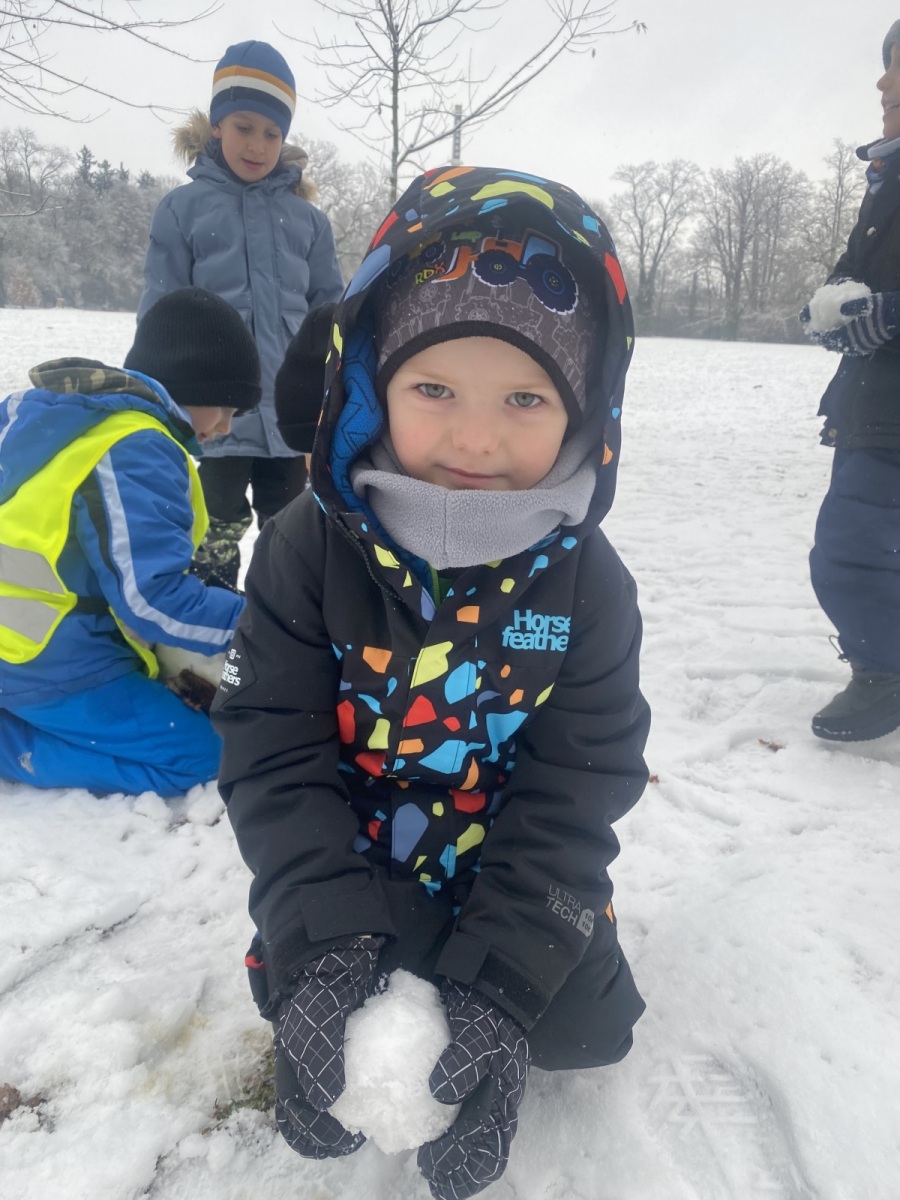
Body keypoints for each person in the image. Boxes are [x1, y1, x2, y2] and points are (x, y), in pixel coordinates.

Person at [212, 166, 650, 1199]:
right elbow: (272, 752)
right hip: (356, 863)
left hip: (501, 864)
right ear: (372, 385)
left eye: (526, 399)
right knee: (319, 995)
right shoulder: (303, 548)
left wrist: (508, 978)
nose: (476, 439)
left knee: (586, 1030)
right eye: (435, 390)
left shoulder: (591, 585)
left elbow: (579, 786)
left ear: (584, 411)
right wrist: (321, 942)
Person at [0, 288, 259, 797]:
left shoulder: (66, 418)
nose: (226, 427)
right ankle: (14, 745)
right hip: (46, 657)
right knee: (209, 753)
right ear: (193, 385)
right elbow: (152, 600)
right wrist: (261, 625)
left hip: (19, 636)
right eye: (226, 407)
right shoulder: (139, 447)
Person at [137, 39, 345, 591]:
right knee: (215, 525)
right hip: (215, 414)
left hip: (290, 415)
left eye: (272, 133)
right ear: (216, 128)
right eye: (244, 127)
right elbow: (161, 308)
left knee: (290, 528)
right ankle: (209, 618)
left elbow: (330, 312)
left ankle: (283, 617)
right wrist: (157, 394)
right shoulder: (182, 209)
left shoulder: (309, 222)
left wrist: (335, 391)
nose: (257, 144)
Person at [801, 20, 900, 742]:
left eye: (898, 66)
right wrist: (833, 306)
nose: (883, 81)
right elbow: (855, 274)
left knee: (851, 547)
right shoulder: (886, 180)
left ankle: (886, 672)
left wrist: (890, 314)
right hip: (873, 402)